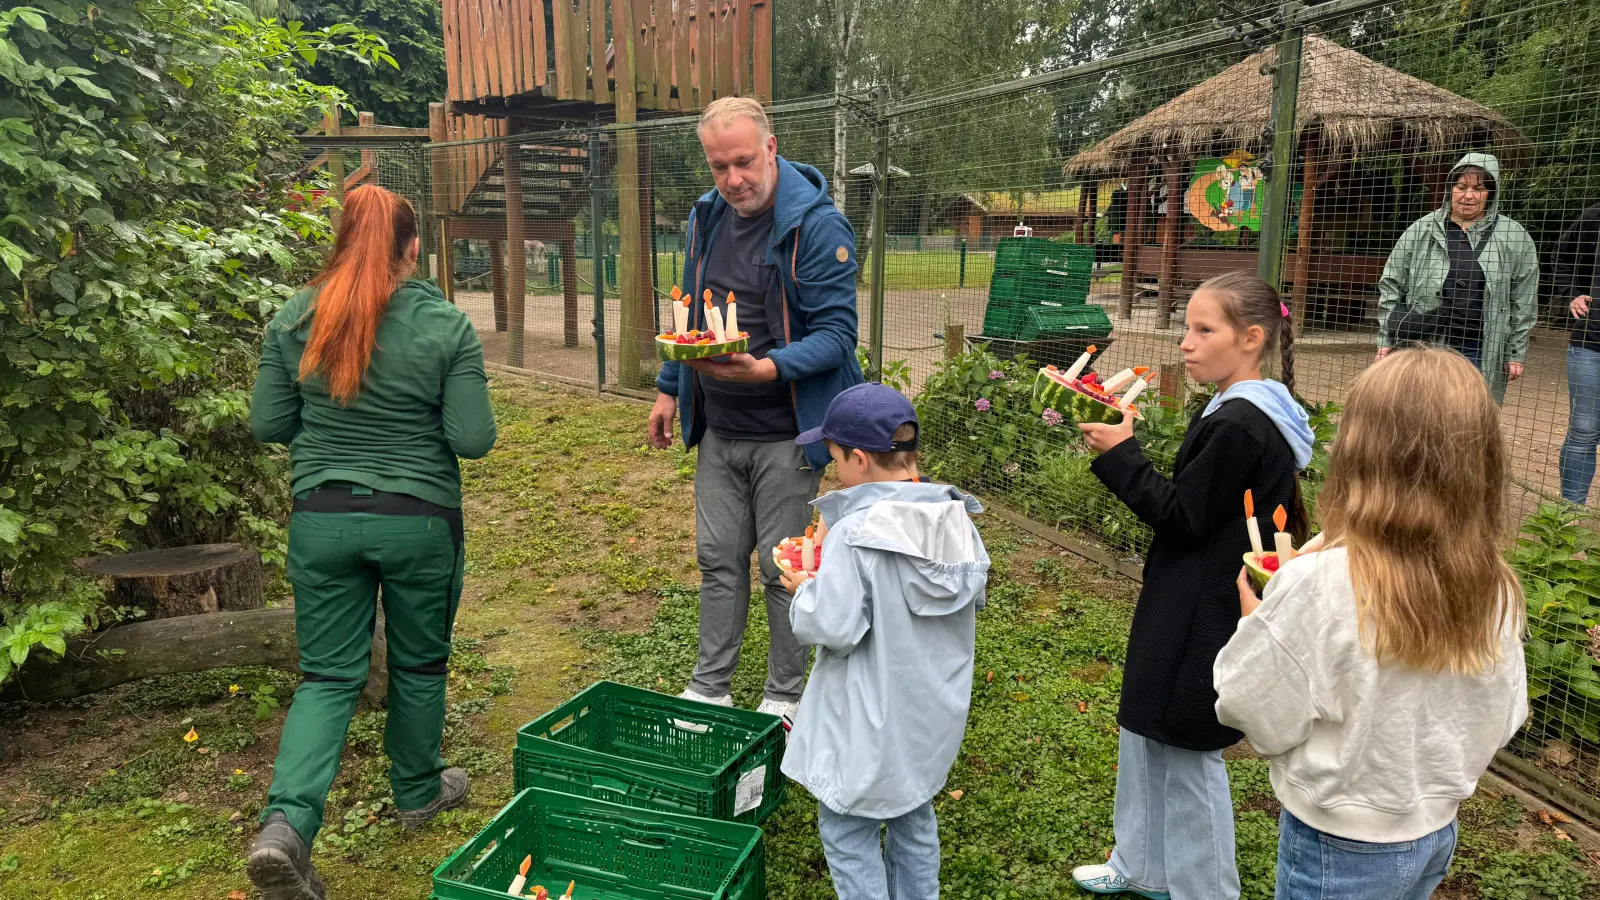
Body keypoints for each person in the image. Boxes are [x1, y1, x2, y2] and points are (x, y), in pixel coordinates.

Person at [247, 185, 496, 900]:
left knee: (328, 677)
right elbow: (472, 440)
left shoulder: (295, 318)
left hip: (321, 520)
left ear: (342, 241)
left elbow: (267, 424)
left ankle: (284, 829)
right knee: (419, 663)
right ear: (414, 247)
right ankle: (418, 789)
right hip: (420, 522)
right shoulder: (445, 325)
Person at [1216, 347, 1528, 900]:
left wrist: (1257, 622)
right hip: (1434, 831)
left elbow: (1248, 705)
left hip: (1336, 840)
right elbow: (1506, 712)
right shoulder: (1494, 583)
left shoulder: (1319, 582)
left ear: (1358, 453)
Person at [1071, 271, 1315, 900]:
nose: (1186, 341)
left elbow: (1182, 516)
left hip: (1203, 603)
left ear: (1251, 338)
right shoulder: (1246, 406)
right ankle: (1141, 865)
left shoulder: (1241, 422)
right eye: (1187, 326)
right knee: (1143, 726)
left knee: (1183, 745)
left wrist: (1121, 452)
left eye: (1204, 330)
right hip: (1184, 592)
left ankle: (1206, 890)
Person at [647, 96, 863, 723]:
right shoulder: (706, 217)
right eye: (719, 166)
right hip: (719, 426)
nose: (733, 179)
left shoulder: (817, 227)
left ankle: (786, 696)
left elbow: (837, 335)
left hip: (787, 431)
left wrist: (768, 367)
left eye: (743, 162)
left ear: (771, 148)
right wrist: (668, 384)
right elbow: (692, 314)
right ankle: (710, 685)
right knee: (717, 558)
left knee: (781, 566)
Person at [777, 382, 989, 900]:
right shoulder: (953, 516)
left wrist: (805, 590)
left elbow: (836, 626)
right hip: (928, 715)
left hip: (866, 719)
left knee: (848, 829)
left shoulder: (856, 533)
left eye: (834, 460)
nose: (833, 472)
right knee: (913, 812)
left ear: (858, 459)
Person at [1376, 152, 1539, 403]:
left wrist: (1516, 352)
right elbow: (1391, 284)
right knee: (1420, 412)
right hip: (1426, 343)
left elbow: (1524, 298)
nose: (1469, 195)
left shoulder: (1514, 236)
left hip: (1481, 347)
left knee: (1470, 417)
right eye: (1461, 187)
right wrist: (1386, 338)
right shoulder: (1422, 229)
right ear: (1450, 189)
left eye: (1479, 188)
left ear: (1491, 194)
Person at [1553, 200, 1600, 504]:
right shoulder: (1595, 215)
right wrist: (1571, 294)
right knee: (1584, 431)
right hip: (1591, 342)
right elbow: (1561, 255)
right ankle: (1568, 516)